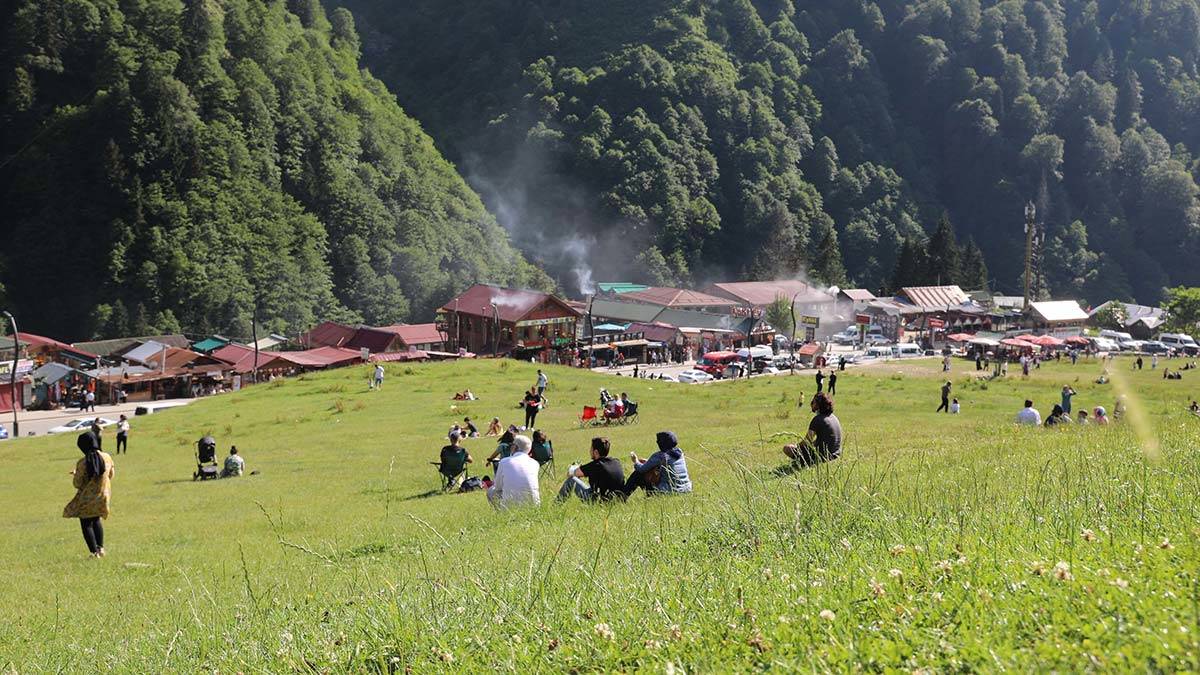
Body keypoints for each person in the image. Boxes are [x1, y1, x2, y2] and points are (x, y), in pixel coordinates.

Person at [63, 424, 114, 558]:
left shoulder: (83, 462)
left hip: (87, 497)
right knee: (96, 519)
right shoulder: (107, 457)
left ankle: (94, 552)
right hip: (103, 495)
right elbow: (111, 475)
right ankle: (101, 549)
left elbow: (78, 484)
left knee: (86, 523)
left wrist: (75, 474)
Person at [557, 437, 626, 503]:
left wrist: (573, 467)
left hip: (600, 501)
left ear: (596, 452)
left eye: (591, 448)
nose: (590, 451)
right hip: (617, 499)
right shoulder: (616, 461)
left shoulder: (596, 465)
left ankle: (556, 505)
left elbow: (571, 473)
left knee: (571, 480)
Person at [783, 392, 843, 466]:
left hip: (823, 457)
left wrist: (796, 446)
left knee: (787, 448)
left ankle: (803, 462)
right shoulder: (833, 417)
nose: (811, 404)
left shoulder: (817, 419)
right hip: (836, 454)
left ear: (818, 404)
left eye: (813, 402)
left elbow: (807, 442)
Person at [624, 431, 692, 495]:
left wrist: (635, 461)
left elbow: (641, 469)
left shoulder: (660, 456)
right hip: (686, 489)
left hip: (668, 491)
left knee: (637, 474)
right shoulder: (679, 452)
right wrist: (648, 462)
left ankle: (622, 496)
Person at [488, 435, 540, 508]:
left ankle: (500, 514)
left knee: (491, 491)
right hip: (534, 506)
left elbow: (497, 487)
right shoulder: (535, 463)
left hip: (510, 507)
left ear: (514, 447)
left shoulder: (504, 462)